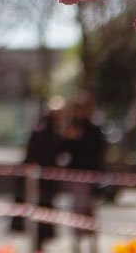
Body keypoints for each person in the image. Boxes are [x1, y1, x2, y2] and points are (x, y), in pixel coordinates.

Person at [11, 97, 65, 252]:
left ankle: (39, 245)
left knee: (43, 214)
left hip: (46, 181)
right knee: (38, 212)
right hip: (39, 182)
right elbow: (33, 157)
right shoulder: (43, 130)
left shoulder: (52, 130)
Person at [62, 92, 106, 253]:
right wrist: (70, 138)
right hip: (76, 176)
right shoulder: (71, 126)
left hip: (91, 176)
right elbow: (64, 149)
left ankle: (93, 244)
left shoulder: (94, 128)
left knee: (90, 211)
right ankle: (77, 244)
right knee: (77, 210)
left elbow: (98, 151)